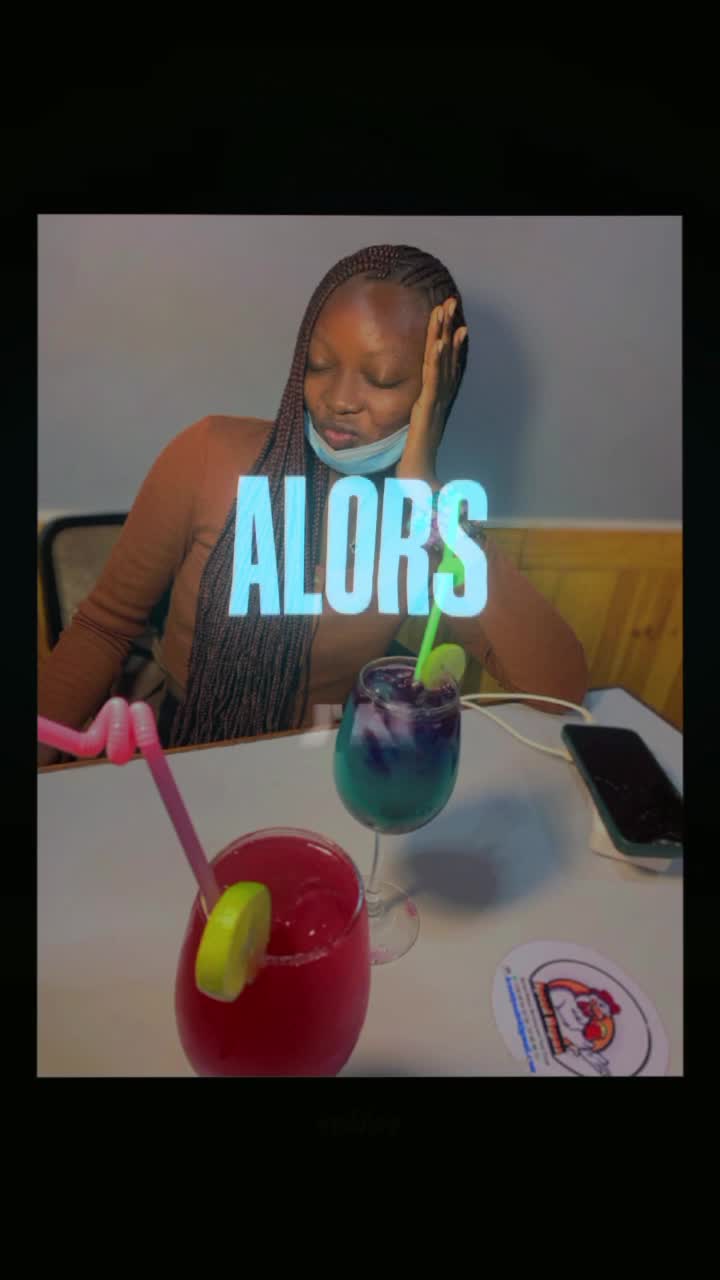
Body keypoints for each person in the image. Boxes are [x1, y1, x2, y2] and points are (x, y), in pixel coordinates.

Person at [38, 243, 588, 765]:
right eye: (320, 365)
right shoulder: (207, 455)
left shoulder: (429, 522)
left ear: (437, 390)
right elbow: (104, 629)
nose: (338, 399)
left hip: (325, 766)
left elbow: (557, 690)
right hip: (180, 753)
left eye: (382, 379)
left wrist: (427, 491)